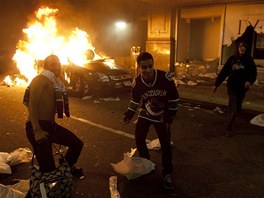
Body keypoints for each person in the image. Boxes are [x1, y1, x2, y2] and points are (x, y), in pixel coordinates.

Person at [121, 52, 179, 190]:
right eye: (143, 67)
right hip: (146, 113)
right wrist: (129, 114)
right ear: (138, 67)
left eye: (150, 66)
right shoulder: (137, 82)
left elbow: (174, 98)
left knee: (165, 144)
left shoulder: (165, 79)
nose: (147, 70)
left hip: (162, 115)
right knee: (139, 137)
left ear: (153, 65)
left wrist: (170, 115)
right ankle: (146, 163)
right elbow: (135, 100)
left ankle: (167, 173)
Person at [24, 54, 84, 176]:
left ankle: (64, 169)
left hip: (50, 125)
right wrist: (37, 131)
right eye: (53, 64)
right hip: (36, 126)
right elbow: (32, 104)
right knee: (48, 170)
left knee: (76, 144)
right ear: (46, 66)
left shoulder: (55, 83)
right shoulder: (40, 79)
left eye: (58, 64)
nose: (57, 67)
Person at [213, 40, 257, 137]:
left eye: (244, 46)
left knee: (238, 107)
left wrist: (249, 81)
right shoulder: (232, 59)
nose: (242, 48)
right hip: (232, 86)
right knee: (233, 107)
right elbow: (224, 72)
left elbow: (253, 73)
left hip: (242, 88)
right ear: (237, 48)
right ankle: (228, 128)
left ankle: (230, 120)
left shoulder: (248, 60)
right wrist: (216, 84)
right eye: (241, 46)